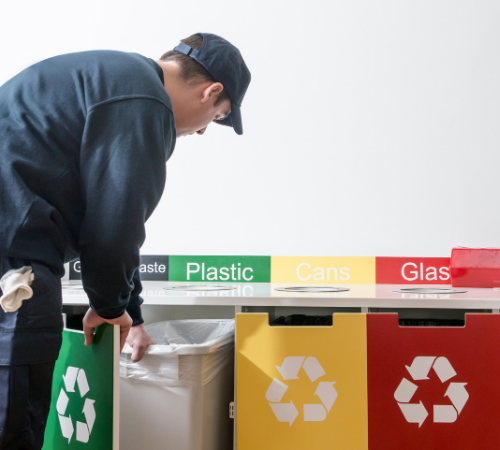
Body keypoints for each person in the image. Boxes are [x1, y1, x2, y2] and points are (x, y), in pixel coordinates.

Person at [0, 32, 251, 449]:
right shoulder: (145, 103)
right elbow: (114, 222)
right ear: (211, 92)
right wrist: (112, 305)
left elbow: (109, 222)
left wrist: (127, 311)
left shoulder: (114, 75)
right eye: (218, 118)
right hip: (14, 261)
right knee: (13, 415)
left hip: (13, 240)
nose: (204, 131)